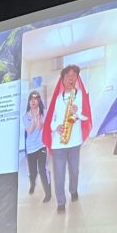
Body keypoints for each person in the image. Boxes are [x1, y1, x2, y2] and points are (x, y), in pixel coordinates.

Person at [43, 64, 93, 214]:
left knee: (74, 171)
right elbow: (51, 121)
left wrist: (76, 112)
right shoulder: (57, 98)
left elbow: (86, 117)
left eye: (74, 76)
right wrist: (55, 127)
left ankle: (73, 190)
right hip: (58, 142)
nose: (71, 79)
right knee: (59, 174)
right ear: (63, 79)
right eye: (68, 76)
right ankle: (61, 202)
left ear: (77, 78)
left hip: (74, 141)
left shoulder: (81, 95)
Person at [23, 90, 52, 202]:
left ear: (39, 101)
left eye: (35, 99)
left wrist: (37, 117)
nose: (33, 101)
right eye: (31, 99)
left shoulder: (43, 112)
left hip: (41, 145)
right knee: (33, 172)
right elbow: (30, 130)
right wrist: (34, 118)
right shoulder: (25, 116)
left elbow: (40, 127)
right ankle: (32, 184)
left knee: (42, 169)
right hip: (31, 148)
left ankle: (48, 193)